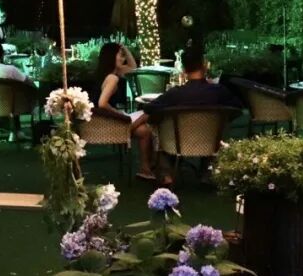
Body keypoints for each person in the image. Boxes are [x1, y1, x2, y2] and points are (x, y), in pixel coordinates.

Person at [143, 47, 243, 185]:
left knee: (158, 127)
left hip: (176, 143)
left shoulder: (175, 94)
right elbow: (237, 107)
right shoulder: (219, 92)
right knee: (217, 129)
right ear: (205, 65)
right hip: (210, 141)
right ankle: (207, 171)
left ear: (184, 70)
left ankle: (167, 173)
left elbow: (149, 108)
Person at [93, 42, 155, 181]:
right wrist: (118, 113)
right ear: (111, 57)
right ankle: (128, 131)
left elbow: (133, 68)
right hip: (110, 121)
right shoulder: (112, 78)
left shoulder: (110, 73)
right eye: (120, 55)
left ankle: (145, 169)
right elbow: (102, 103)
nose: (123, 59)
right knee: (149, 113)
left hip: (107, 119)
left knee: (144, 131)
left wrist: (125, 49)